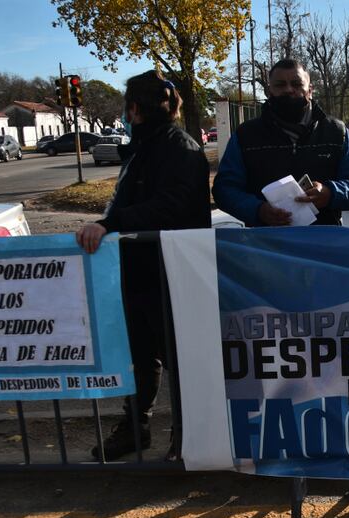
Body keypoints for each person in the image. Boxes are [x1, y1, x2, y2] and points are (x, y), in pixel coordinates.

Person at [75, 70, 210, 460]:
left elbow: (174, 204)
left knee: (177, 358)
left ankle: (187, 437)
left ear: (133, 109)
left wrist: (110, 223)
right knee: (140, 353)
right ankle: (136, 428)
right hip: (136, 266)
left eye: (126, 106)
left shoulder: (178, 147)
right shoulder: (145, 145)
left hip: (168, 271)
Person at [212, 58, 349, 226]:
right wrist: (257, 210)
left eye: (296, 84)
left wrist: (330, 193)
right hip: (266, 245)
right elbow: (224, 189)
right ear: (269, 91)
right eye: (280, 85)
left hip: (325, 243)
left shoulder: (337, 132)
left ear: (310, 90)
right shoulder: (245, 135)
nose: (289, 90)